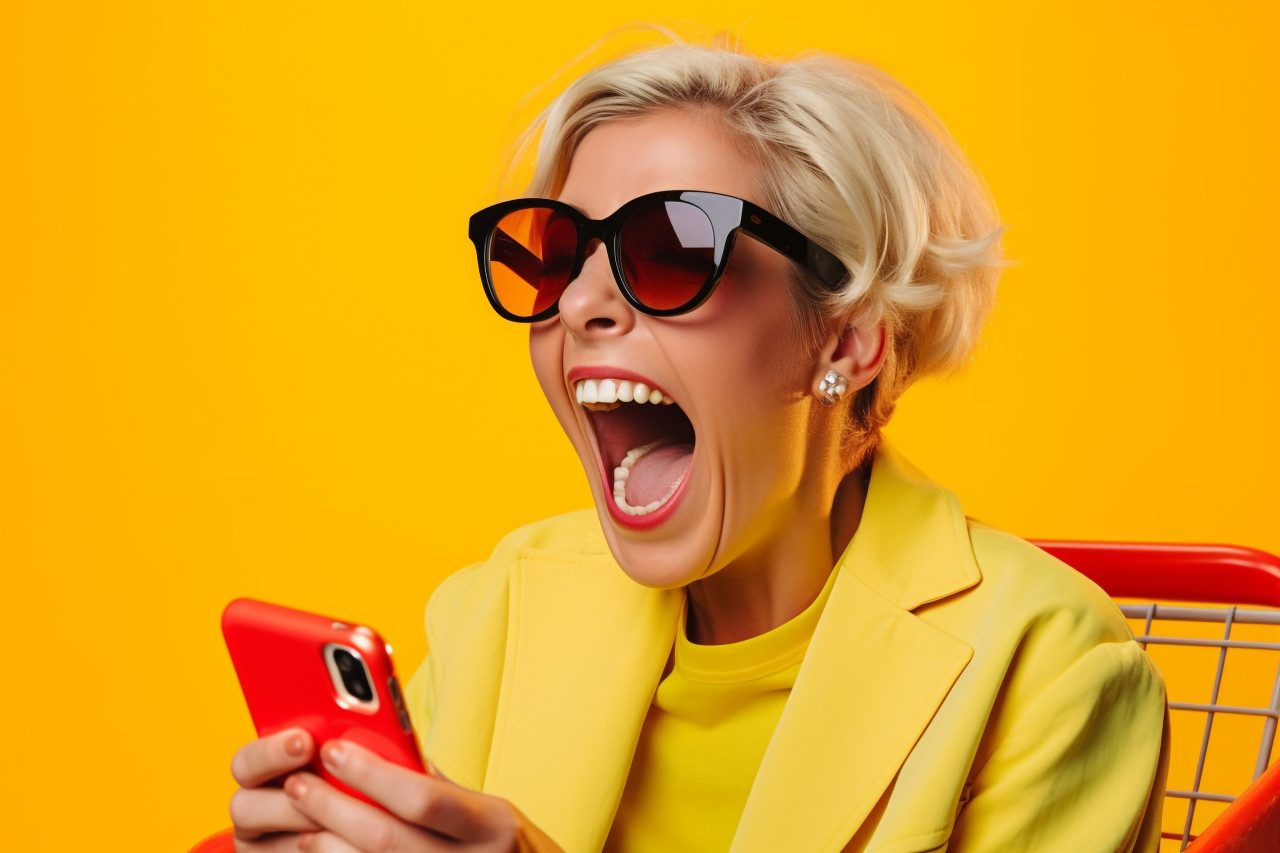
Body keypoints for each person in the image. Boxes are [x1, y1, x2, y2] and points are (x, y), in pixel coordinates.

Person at [227, 38, 1169, 853]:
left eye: (672, 248)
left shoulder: (1052, 671)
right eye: (559, 254)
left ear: (845, 335)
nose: (582, 305)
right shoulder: (497, 608)